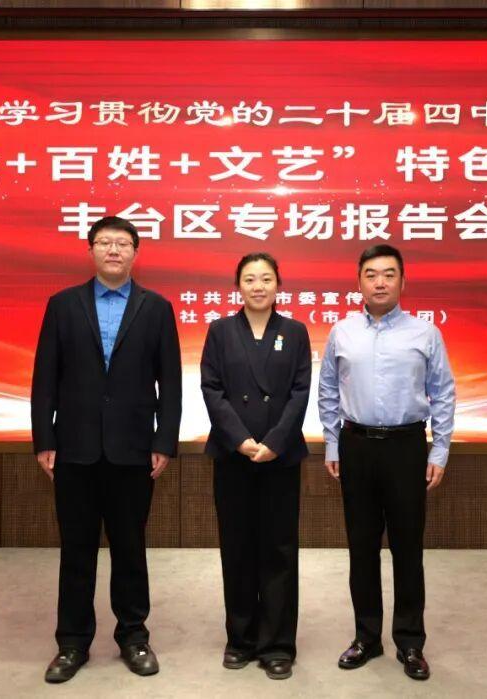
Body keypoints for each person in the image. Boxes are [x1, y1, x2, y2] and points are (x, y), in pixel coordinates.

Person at [31, 215, 181, 683]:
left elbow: (171, 382)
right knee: (76, 550)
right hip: (74, 448)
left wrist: (164, 440)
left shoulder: (157, 308)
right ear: (91, 250)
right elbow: (45, 377)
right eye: (104, 242)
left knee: (130, 549)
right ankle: (72, 643)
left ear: (136, 253)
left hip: (133, 450)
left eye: (122, 243)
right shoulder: (63, 305)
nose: (113, 250)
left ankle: (134, 637)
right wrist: (44, 438)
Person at [318, 244, 456, 682]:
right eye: (371, 274)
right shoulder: (342, 332)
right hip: (356, 446)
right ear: (358, 282)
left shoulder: (425, 333)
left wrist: (440, 449)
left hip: (406, 447)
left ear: (402, 281)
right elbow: (327, 391)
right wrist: (332, 443)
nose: (380, 282)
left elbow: (444, 392)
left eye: (389, 274)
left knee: (407, 548)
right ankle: (366, 637)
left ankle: (410, 642)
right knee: (361, 547)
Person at [200, 252, 312, 681]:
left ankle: (278, 644)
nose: (258, 286)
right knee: (238, 547)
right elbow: (212, 389)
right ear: (238, 286)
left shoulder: (294, 332)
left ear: (278, 285)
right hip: (234, 455)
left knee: (279, 550)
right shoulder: (220, 331)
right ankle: (241, 639)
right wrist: (240, 440)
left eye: (266, 278)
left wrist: (275, 442)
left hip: (280, 457)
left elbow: (300, 391)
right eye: (250, 279)